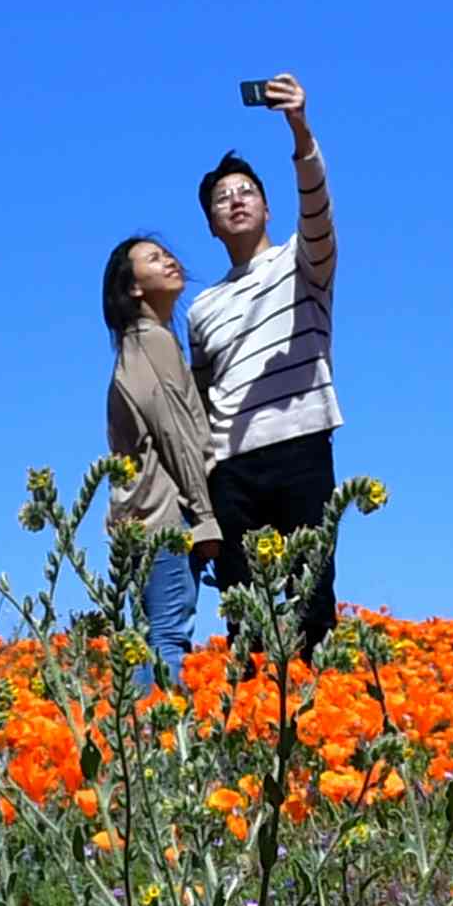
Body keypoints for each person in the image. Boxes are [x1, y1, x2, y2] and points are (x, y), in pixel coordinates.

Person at [183, 72, 340, 657]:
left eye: (246, 190)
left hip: (300, 449)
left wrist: (299, 129)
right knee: (243, 608)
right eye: (222, 198)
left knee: (312, 600)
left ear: (269, 206)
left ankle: (317, 725)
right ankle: (248, 724)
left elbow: (318, 208)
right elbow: (199, 403)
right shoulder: (202, 307)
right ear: (211, 223)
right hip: (231, 470)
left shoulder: (306, 263)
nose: (235, 200)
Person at [99, 234, 222, 694]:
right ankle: (164, 743)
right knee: (169, 635)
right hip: (164, 520)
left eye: (169, 254)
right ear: (132, 288)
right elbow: (177, 436)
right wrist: (206, 517)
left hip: (139, 521)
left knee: (150, 635)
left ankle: (142, 740)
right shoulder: (152, 343)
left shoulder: (140, 346)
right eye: (154, 259)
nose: (170, 261)